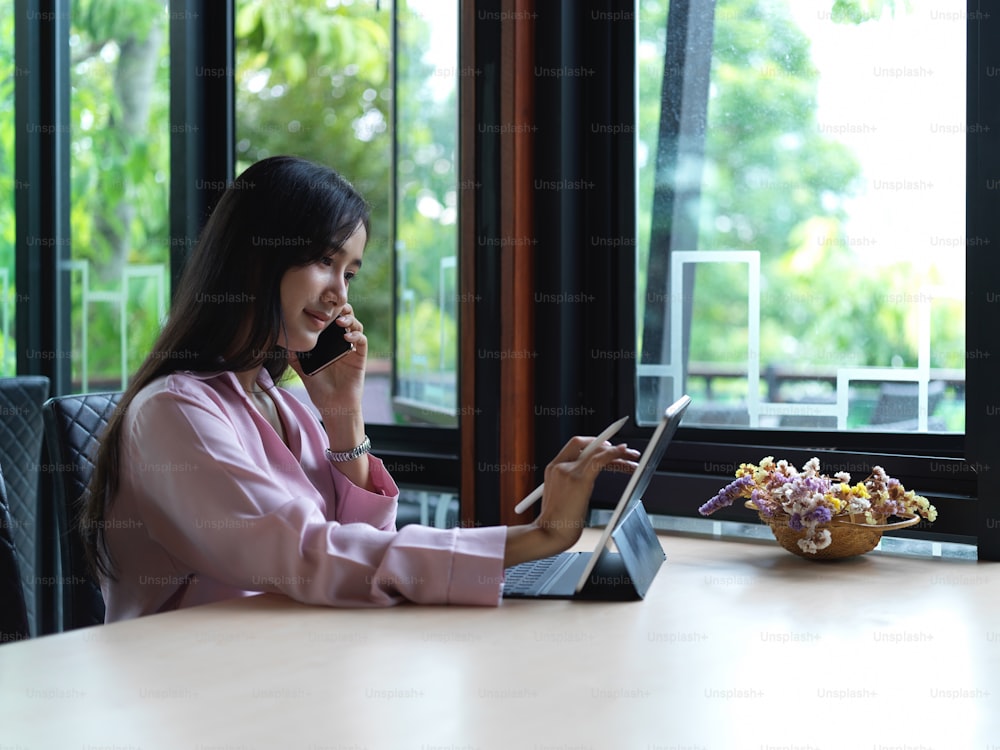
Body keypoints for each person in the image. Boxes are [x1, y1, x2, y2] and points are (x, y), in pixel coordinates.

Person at [83, 155, 638, 621]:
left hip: (290, 665)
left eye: (349, 273)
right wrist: (536, 538)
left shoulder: (278, 404)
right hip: (197, 696)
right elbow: (306, 556)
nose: (338, 297)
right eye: (325, 261)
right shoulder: (176, 412)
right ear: (255, 258)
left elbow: (358, 562)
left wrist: (342, 415)